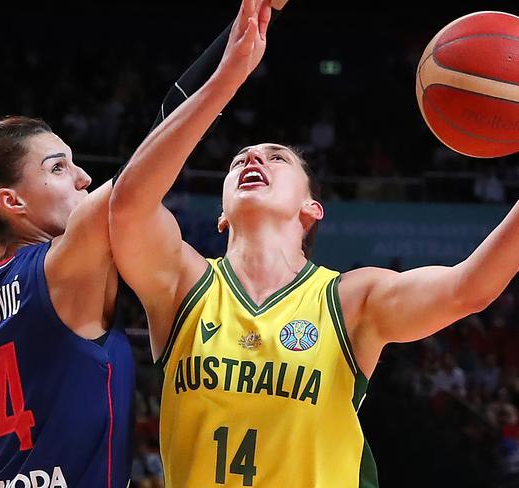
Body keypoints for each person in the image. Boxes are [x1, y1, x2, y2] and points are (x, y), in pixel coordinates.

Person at [0, 2, 292, 486]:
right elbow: (147, 159)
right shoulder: (60, 267)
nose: (83, 177)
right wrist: (230, 72)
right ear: (11, 201)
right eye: (58, 167)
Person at [108, 1, 519, 486]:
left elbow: (468, 288)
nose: (252, 157)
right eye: (239, 157)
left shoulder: (350, 300)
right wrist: (227, 78)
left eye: (276, 157)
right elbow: (128, 205)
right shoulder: (182, 284)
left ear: (312, 209)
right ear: (220, 215)